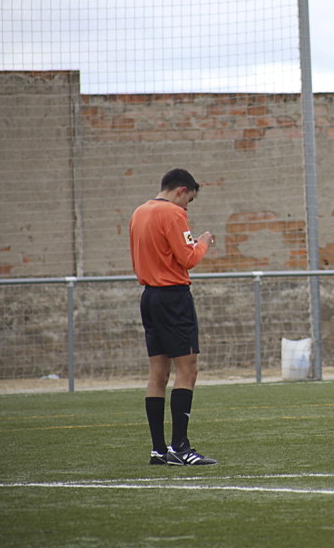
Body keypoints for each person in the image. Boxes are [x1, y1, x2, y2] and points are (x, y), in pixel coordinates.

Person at [130, 168, 217, 466]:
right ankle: (180, 447)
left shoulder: (139, 212)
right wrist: (202, 241)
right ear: (181, 190)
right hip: (173, 298)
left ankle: (158, 450)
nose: (187, 207)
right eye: (189, 200)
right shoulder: (174, 214)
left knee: (158, 373)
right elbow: (189, 258)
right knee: (187, 369)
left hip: (149, 297)